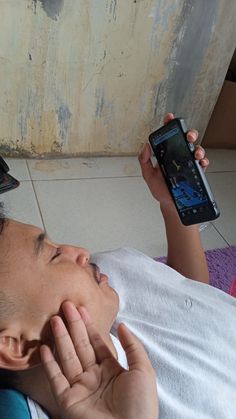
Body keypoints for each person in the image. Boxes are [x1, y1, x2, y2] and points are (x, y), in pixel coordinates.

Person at [0, 113, 235, 419]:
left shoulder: (108, 273)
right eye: (54, 255)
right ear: (16, 345)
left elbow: (189, 295)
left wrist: (174, 210)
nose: (82, 252)